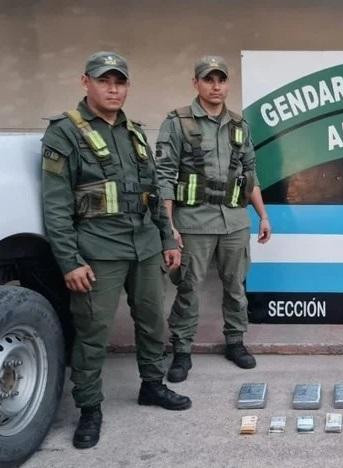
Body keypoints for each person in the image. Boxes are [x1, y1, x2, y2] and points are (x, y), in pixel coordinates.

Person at [41, 51, 192, 449]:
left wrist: (167, 239)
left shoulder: (135, 132)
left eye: (120, 81)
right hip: (97, 251)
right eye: (104, 80)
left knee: (152, 324)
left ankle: (152, 385)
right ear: (85, 82)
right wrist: (69, 261)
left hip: (143, 246)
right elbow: (55, 206)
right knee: (92, 333)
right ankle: (89, 408)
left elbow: (155, 194)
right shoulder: (64, 133)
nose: (113, 88)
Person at [155, 56, 271, 382]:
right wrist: (169, 226)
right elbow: (163, 177)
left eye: (221, 79)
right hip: (193, 221)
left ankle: (235, 341)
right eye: (209, 79)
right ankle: (181, 350)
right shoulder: (177, 123)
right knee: (188, 287)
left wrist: (263, 216)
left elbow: (250, 174)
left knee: (235, 287)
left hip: (234, 221)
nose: (216, 86)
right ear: (196, 83)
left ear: (228, 84)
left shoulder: (238, 126)